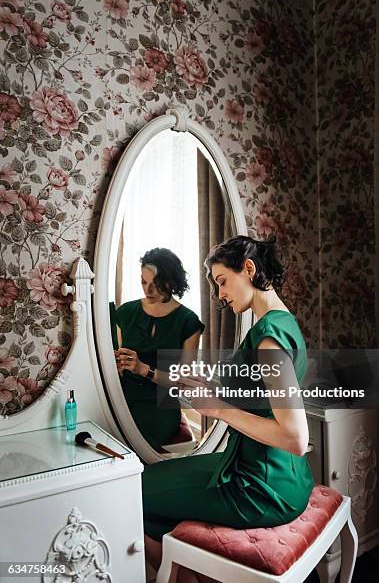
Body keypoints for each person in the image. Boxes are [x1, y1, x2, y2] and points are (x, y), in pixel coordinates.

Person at [142, 235, 315, 583]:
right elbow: (261, 396)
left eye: (222, 281)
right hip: (274, 473)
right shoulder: (282, 322)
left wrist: (219, 409)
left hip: (260, 488)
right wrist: (210, 388)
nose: (220, 294)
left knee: (133, 493)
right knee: (148, 486)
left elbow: (295, 437)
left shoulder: (268, 339)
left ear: (248, 269)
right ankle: (190, 567)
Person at [113, 248, 205, 451]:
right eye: (143, 282)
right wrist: (116, 365)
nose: (148, 290)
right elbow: (117, 368)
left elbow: (183, 382)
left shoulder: (188, 322)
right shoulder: (125, 313)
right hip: (123, 400)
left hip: (161, 408)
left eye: (156, 283)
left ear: (171, 281)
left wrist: (144, 370)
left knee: (137, 440)